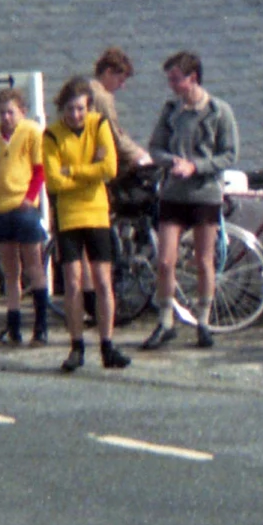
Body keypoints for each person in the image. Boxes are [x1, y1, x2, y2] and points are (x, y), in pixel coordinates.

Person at [144, 51, 239, 347]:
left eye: (176, 79)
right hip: (173, 193)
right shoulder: (171, 109)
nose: (171, 85)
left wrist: (196, 166)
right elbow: (155, 147)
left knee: (203, 259)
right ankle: (165, 320)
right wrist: (171, 161)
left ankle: (203, 320)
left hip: (204, 194)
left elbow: (229, 154)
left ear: (192, 78)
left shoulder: (218, 111)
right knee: (165, 260)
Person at [40, 75, 131, 373]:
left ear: (88, 107)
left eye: (80, 109)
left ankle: (108, 344)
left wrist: (74, 170)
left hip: (96, 212)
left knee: (103, 281)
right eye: (70, 109)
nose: (75, 115)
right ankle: (76, 344)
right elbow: (54, 181)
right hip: (69, 216)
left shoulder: (99, 125)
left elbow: (110, 168)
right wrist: (89, 169)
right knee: (74, 282)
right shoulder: (52, 135)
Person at [0, 86, 51, 348]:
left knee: (33, 265)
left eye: (11, 112)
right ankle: (13, 325)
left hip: (23, 206)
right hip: (1, 205)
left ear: (21, 112)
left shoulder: (32, 132)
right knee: (10, 270)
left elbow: (39, 170)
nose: (6, 117)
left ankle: (41, 326)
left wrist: (29, 198)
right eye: (2, 113)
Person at [92, 48, 154, 178]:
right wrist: (140, 155)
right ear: (108, 72)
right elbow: (114, 136)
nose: (122, 86)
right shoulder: (102, 97)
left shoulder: (82, 90)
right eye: (120, 80)